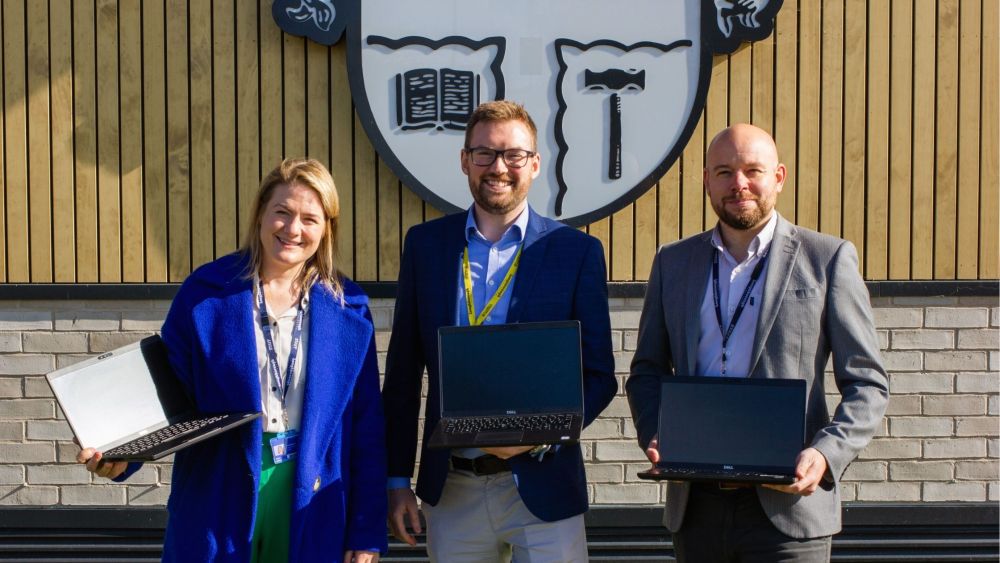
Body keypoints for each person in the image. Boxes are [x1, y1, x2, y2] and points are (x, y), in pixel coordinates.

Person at [77, 158, 387, 563]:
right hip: (219, 489)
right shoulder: (205, 293)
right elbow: (167, 392)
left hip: (313, 491)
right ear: (260, 214)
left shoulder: (349, 307)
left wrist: (365, 530)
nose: (293, 229)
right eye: (283, 212)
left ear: (327, 228)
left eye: (310, 219)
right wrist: (124, 455)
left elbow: (366, 425)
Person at [626, 123, 889, 562]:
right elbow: (647, 371)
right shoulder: (672, 263)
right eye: (724, 172)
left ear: (779, 178)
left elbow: (868, 385)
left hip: (790, 510)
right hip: (697, 509)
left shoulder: (827, 258)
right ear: (706, 179)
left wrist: (824, 455)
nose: (739, 184)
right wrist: (656, 432)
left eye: (753, 170)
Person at [382, 100, 617, 562]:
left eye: (513, 155)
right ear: (465, 160)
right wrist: (395, 481)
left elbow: (598, 375)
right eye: (485, 153)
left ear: (534, 164)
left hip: (545, 481)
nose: (498, 167)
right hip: (452, 487)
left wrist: (540, 434)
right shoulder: (426, 246)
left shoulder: (575, 251)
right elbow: (404, 376)